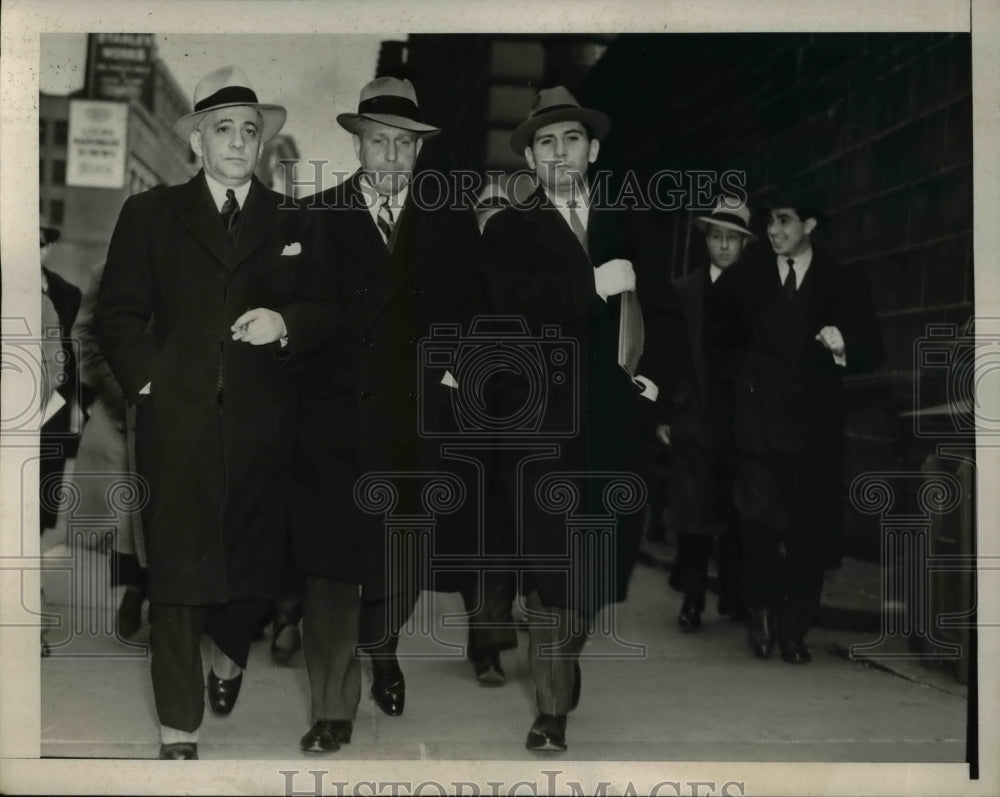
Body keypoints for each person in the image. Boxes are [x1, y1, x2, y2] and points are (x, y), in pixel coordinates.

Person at [96, 65, 334, 760]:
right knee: (174, 577)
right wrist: (149, 385)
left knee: (252, 571)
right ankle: (180, 731)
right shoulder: (150, 214)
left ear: (262, 146)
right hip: (177, 427)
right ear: (197, 140)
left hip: (264, 429)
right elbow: (117, 314)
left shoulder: (294, 221)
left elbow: (327, 309)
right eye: (222, 129)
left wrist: (285, 320)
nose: (237, 141)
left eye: (249, 131)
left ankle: (230, 653)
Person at [290, 76, 494, 754]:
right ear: (358, 143)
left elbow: (474, 314)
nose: (390, 155)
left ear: (417, 151)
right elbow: (301, 322)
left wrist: (452, 367)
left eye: (403, 144)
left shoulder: (449, 220)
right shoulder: (317, 215)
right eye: (378, 141)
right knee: (331, 573)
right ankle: (331, 709)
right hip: (336, 426)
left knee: (400, 564)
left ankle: (383, 644)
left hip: (416, 420)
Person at [480, 86, 684, 752]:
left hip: (613, 427)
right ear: (532, 161)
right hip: (539, 426)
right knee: (548, 566)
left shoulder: (632, 225)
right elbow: (507, 309)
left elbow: (670, 319)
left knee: (594, 569)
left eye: (570, 139)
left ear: (592, 151)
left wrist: (650, 390)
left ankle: (562, 659)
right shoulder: (511, 230)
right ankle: (550, 708)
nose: (559, 152)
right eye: (545, 143)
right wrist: (585, 288)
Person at [707, 191, 884, 665]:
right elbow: (715, 335)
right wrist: (739, 382)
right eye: (769, 223)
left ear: (810, 224)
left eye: (785, 221)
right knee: (759, 523)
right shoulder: (747, 278)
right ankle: (761, 613)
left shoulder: (840, 282)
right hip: (757, 424)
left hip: (812, 429)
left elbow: (873, 347)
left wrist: (843, 345)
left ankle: (794, 631)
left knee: (807, 531)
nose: (775, 231)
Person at [666, 197, 754, 630]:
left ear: (743, 245)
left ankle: (735, 597)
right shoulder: (684, 292)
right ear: (707, 242)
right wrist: (665, 412)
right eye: (717, 237)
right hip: (694, 415)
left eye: (732, 239)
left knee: (738, 512)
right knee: (693, 513)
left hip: (741, 419)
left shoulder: (757, 293)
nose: (723, 246)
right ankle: (693, 598)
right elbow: (666, 355)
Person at [71, 260, 147, 638]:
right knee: (137, 508)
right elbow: (87, 332)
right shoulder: (115, 264)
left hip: (194, 404)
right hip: (130, 406)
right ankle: (135, 590)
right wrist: (121, 394)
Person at [39, 224, 82, 657]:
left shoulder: (63, 297)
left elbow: (64, 362)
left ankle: (29, 618)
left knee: (34, 519)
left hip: (45, 419)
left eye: (40, 242)